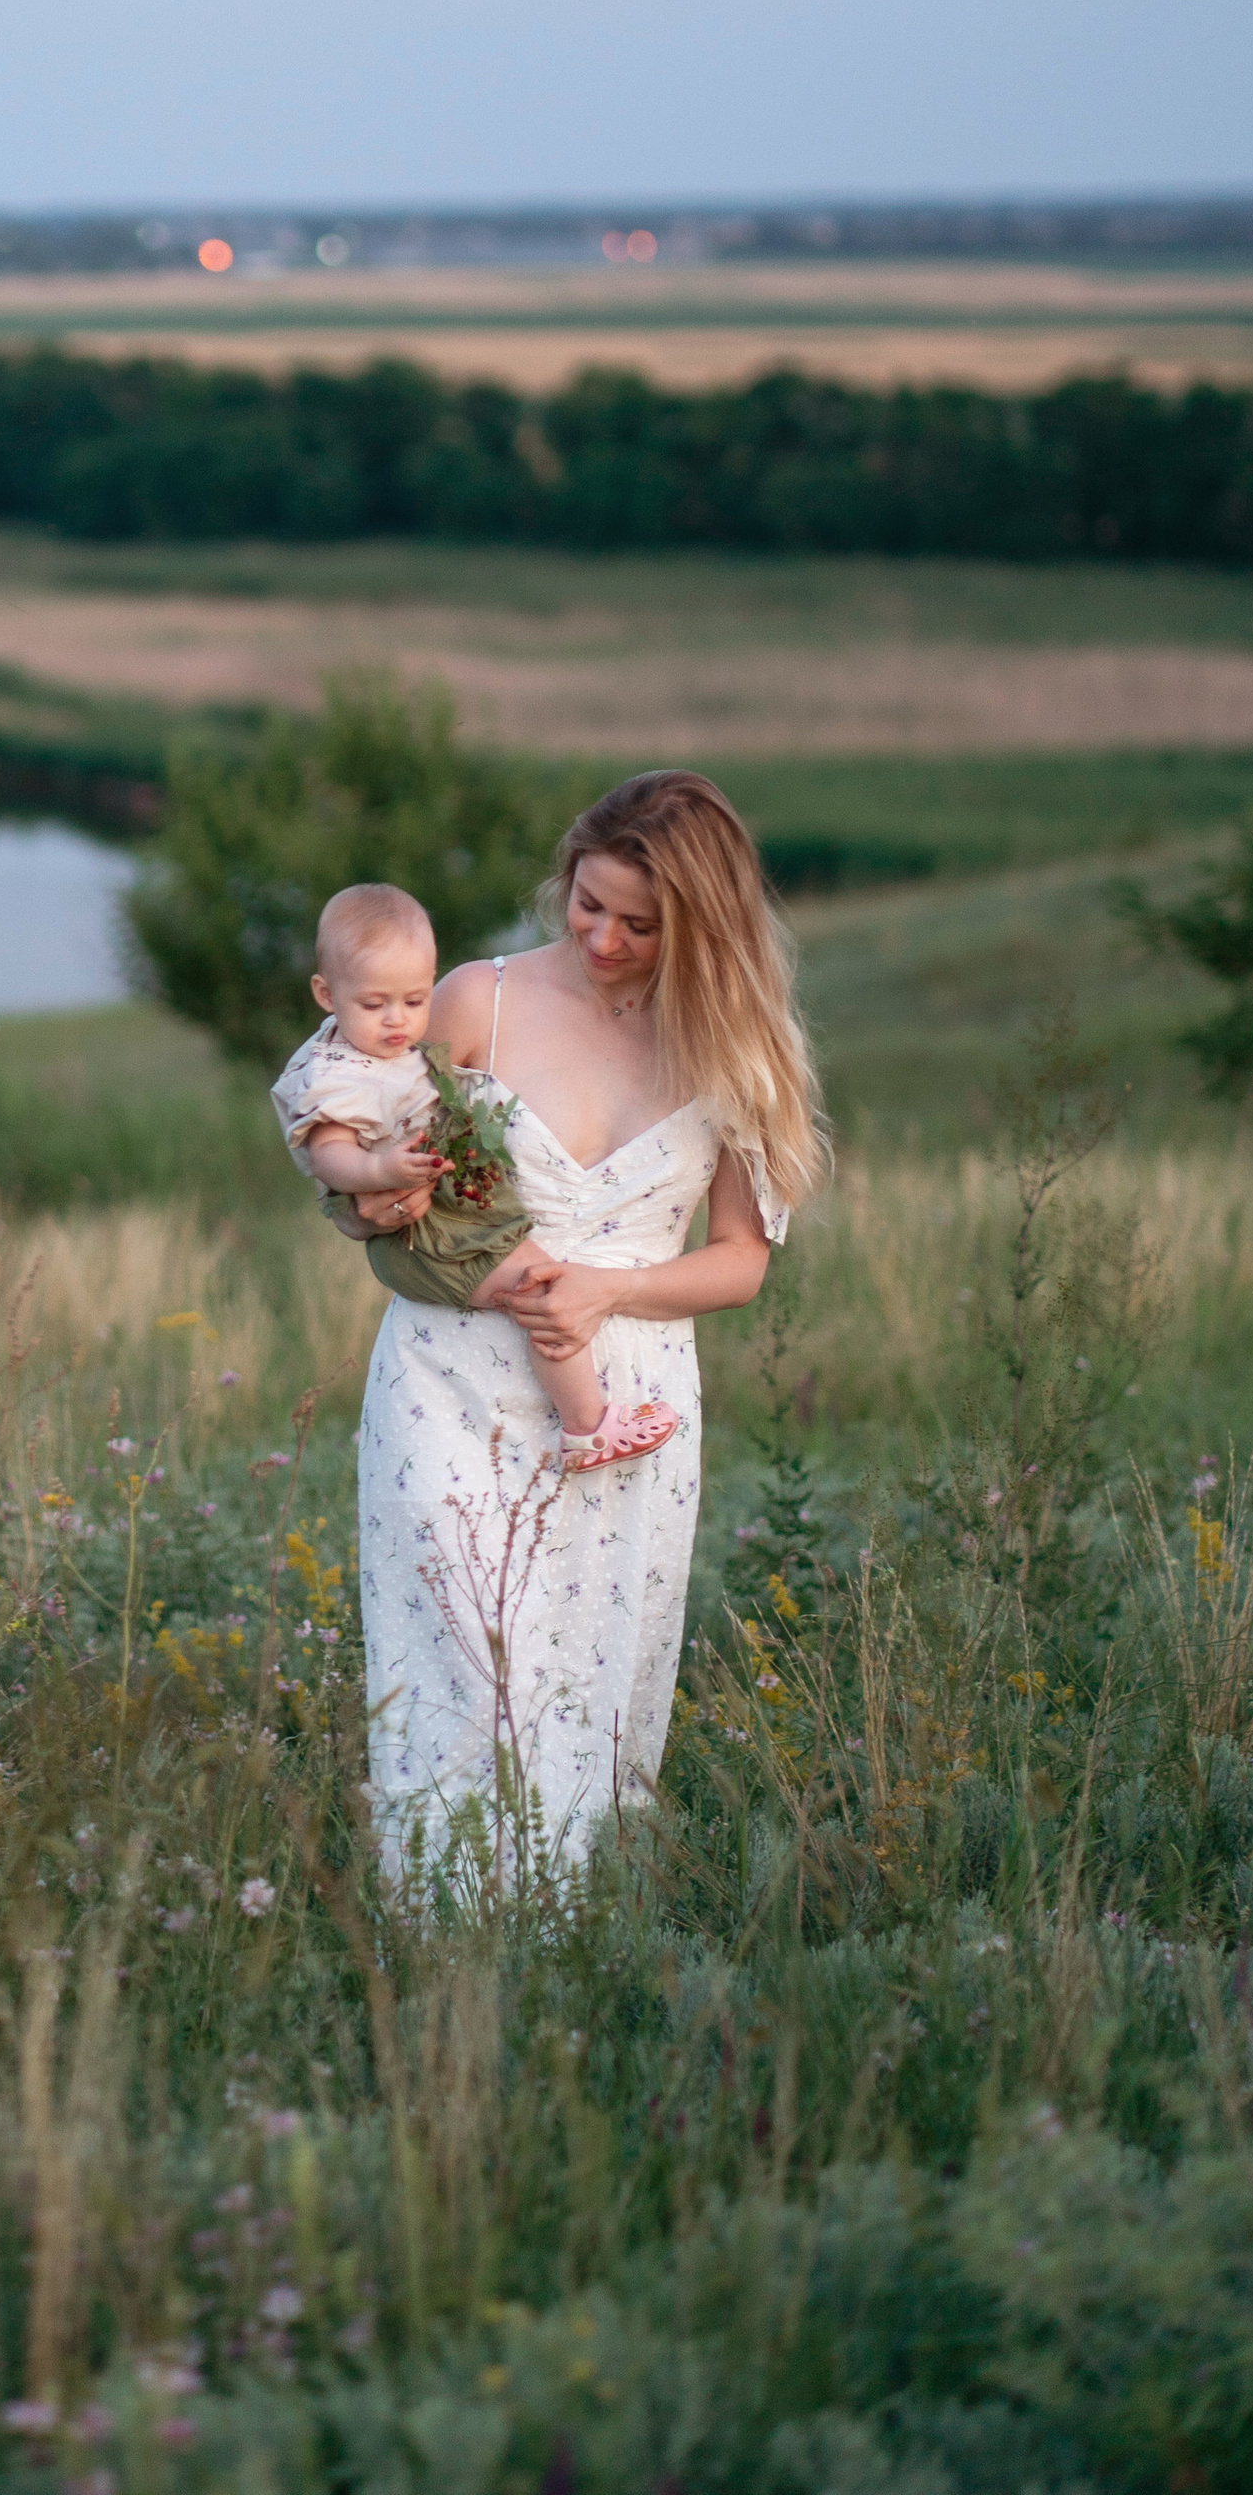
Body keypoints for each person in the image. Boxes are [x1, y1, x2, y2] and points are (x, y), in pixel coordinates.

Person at [342, 769, 826, 1881]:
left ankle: (559, 1941)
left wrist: (609, 1291)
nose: (602, 937)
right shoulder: (475, 1000)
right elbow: (364, 1163)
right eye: (587, 903)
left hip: (629, 1395)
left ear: (702, 927)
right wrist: (373, 1196)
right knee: (461, 1656)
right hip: (449, 1379)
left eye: (640, 924)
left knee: (585, 1674)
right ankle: (438, 1925)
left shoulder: (734, 1051)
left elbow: (740, 1264)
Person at [269, 880, 682, 1472]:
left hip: (457, 1218)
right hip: (432, 1233)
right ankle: (589, 1427)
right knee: (541, 1294)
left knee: (539, 1288)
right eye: (374, 1005)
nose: (397, 1021)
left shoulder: (401, 1048)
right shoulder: (336, 1074)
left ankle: (586, 1420)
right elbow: (328, 1154)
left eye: (414, 1002)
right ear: (325, 993)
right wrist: (378, 1171)